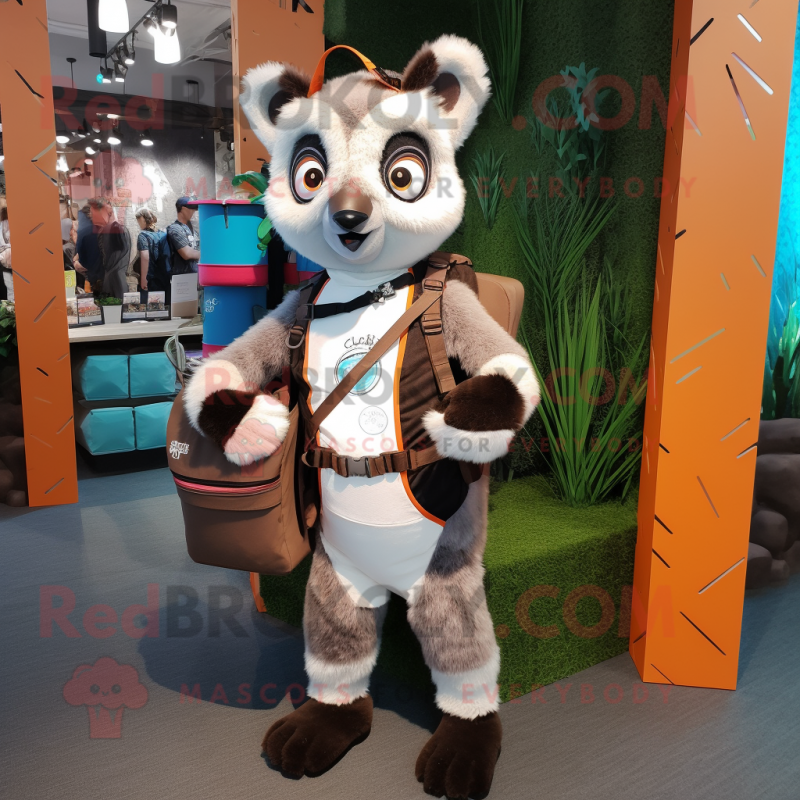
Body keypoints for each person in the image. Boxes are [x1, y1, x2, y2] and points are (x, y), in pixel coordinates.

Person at [166, 197, 200, 275]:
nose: (194, 211)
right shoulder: (175, 229)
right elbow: (187, 253)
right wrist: (208, 255)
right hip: (182, 276)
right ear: (183, 209)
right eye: (192, 208)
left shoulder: (192, 228)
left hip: (195, 274)